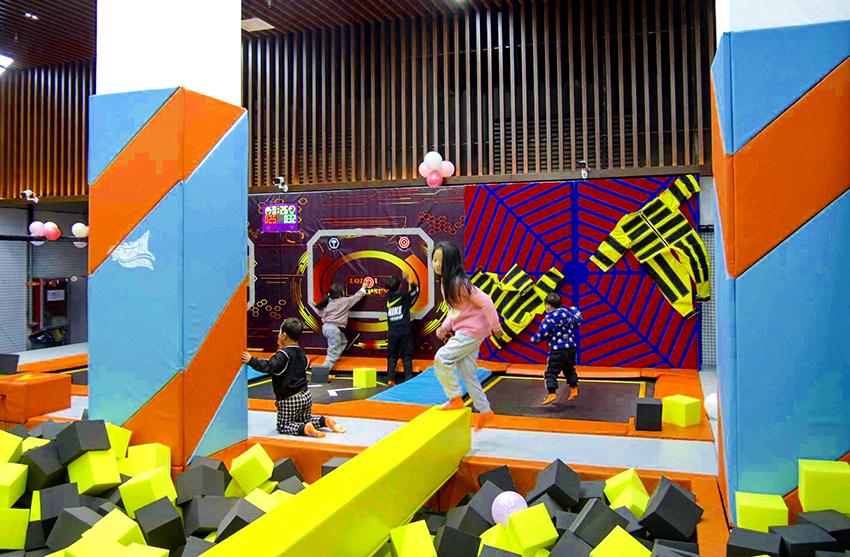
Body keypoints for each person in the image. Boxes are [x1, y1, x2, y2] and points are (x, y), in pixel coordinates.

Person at [432, 242, 503, 430]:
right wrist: (445, 326)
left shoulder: (459, 283)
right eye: (434, 260)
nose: (436, 264)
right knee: (467, 373)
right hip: (471, 331)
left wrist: (496, 327)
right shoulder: (447, 283)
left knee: (442, 358)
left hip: (471, 331)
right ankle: (485, 411)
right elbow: (455, 310)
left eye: (441, 261)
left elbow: (486, 301)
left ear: (451, 262)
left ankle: (455, 398)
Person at [241, 318, 346, 438]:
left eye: (280, 332)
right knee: (305, 418)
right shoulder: (302, 354)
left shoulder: (283, 355)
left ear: (284, 336)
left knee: (284, 425)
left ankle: (305, 429)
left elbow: (268, 366)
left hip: (289, 399)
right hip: (306, 396)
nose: (278, 335)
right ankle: (324, 421)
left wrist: (251, 360)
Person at [530, 293, 583, 404]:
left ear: (548, 306)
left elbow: (542, 334)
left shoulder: (548, 319)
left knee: (551, 372)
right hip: (571, 347)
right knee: (569, 369)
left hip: (557, 349)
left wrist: (534, 340)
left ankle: (552, 393)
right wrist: (575, 310)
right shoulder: (567, 314)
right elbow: (578, 321)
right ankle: (574, 388)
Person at [316, 282, 367, 370]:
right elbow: (356, 297)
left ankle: (334, 358)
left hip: (326, 327)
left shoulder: (326, 302)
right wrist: (363, 288)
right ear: (340, 293)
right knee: (332, 353)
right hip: (334, 329)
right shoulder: (344, 301)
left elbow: (319, 313)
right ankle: (323, 371)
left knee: (343, 341)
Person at [385, 271, 420, 386]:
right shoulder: (404, 296)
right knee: (407, 356)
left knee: (392, 356)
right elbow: (416, 290)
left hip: (392, 332)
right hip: (405, 331)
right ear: (399, 286)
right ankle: (408, 379)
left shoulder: (387, 298)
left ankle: (391, 378)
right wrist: (408, 279)